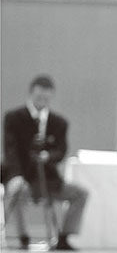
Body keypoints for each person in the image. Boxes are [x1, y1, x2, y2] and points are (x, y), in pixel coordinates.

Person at [2, 75, 89, 251]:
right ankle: (23, 237)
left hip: (47, 178)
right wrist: (17, 176)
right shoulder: (13, 117)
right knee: (17, 190)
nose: (42, 100)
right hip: (20, 174)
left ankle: (64, 237)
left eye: (46, 97)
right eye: (39, 96)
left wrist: (48, 156)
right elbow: (11, 151)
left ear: (51, 96)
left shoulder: (59, 122)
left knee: (80, 193)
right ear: (32, 93)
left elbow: (61, 150)